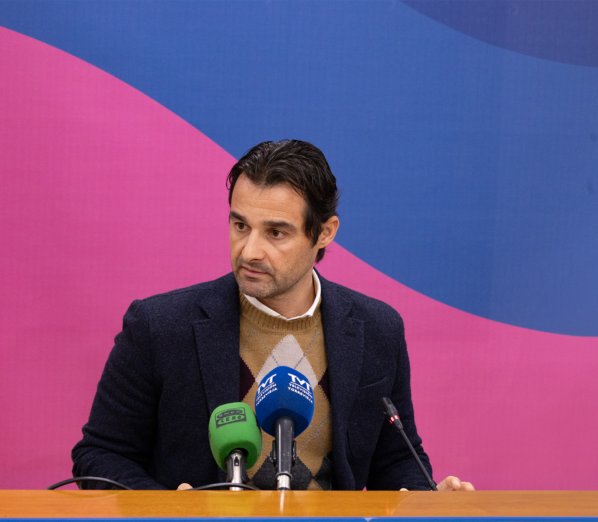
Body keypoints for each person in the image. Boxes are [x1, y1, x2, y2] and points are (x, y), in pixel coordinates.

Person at [72, 140, 473, 492]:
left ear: (325, 232)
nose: (249, 251)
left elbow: (396, 460)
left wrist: (425, 496)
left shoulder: (378, 330)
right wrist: (168, 508)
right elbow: (100, 455)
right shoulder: (159, 327)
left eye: (275, 233)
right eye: (240, 225)